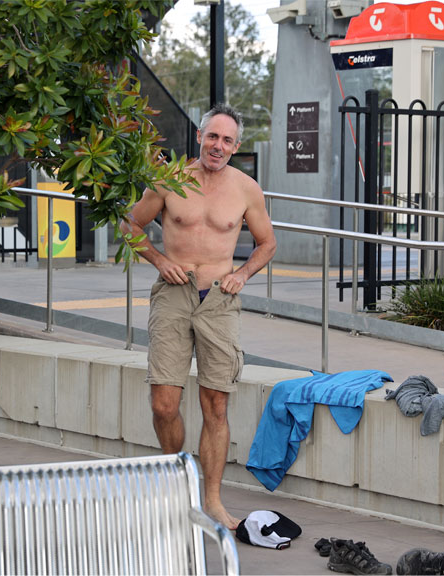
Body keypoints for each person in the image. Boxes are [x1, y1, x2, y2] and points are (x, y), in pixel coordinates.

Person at [120, 103, 276, 530]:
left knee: (216, 406)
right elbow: (130, 225)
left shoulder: (246, 189)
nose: (218, 146)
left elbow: (267, 243)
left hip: (220, 301)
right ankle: (176, 483)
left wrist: (243, 274)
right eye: (212, 136)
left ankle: (211, 500)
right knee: (164, 404)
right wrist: (158, 260)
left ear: (236, 146)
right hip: (174, 294)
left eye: (227, 140)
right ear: (200, 136)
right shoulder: (169, 180)